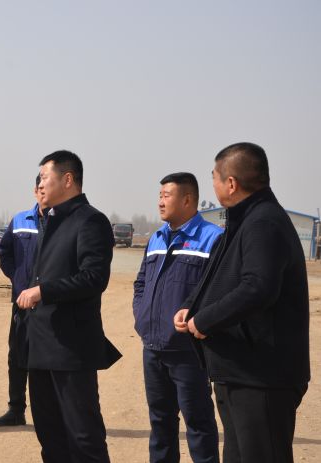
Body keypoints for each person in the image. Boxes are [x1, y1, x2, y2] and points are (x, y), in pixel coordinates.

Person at [174, 142, 310, 463]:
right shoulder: (243, 221)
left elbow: (258, 287)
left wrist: (205, 320)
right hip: (240, 371)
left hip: (262, 376)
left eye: (214, 177)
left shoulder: (263, 223)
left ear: (231, 183)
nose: (213, 184)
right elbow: (221, 276)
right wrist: (193, 307)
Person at [16, 150, 121, 463]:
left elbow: (94, 278)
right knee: (50, 434)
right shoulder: (50, 220)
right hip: (41, 345)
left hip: (70, 347)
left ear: (68, 179)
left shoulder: (90, 221)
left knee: (83, 436)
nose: (40, 184)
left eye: (44, 177)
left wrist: (42, 292)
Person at [133, 172, 221, 463]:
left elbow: (218, 290)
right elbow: (141, 283)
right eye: (159, 196)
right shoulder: (156, 238)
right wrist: (142, 316)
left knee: (198, 422)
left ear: (187, 199)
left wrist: (198, 320)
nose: (160, 202)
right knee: (160, 421)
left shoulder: (212, 238)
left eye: (166, 195)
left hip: (189, 351)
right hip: (153, 348)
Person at [0, 175, 42, 427]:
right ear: (35, 190)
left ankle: (47, 413)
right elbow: (5, 252)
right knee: (17, 356)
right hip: (21, 303)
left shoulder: (63, 222)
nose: (43, 192)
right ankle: (16, 409)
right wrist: (18, 278)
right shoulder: (20, 220)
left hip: (50, 304)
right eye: (40, 187)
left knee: (45, 359)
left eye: (47, 186)